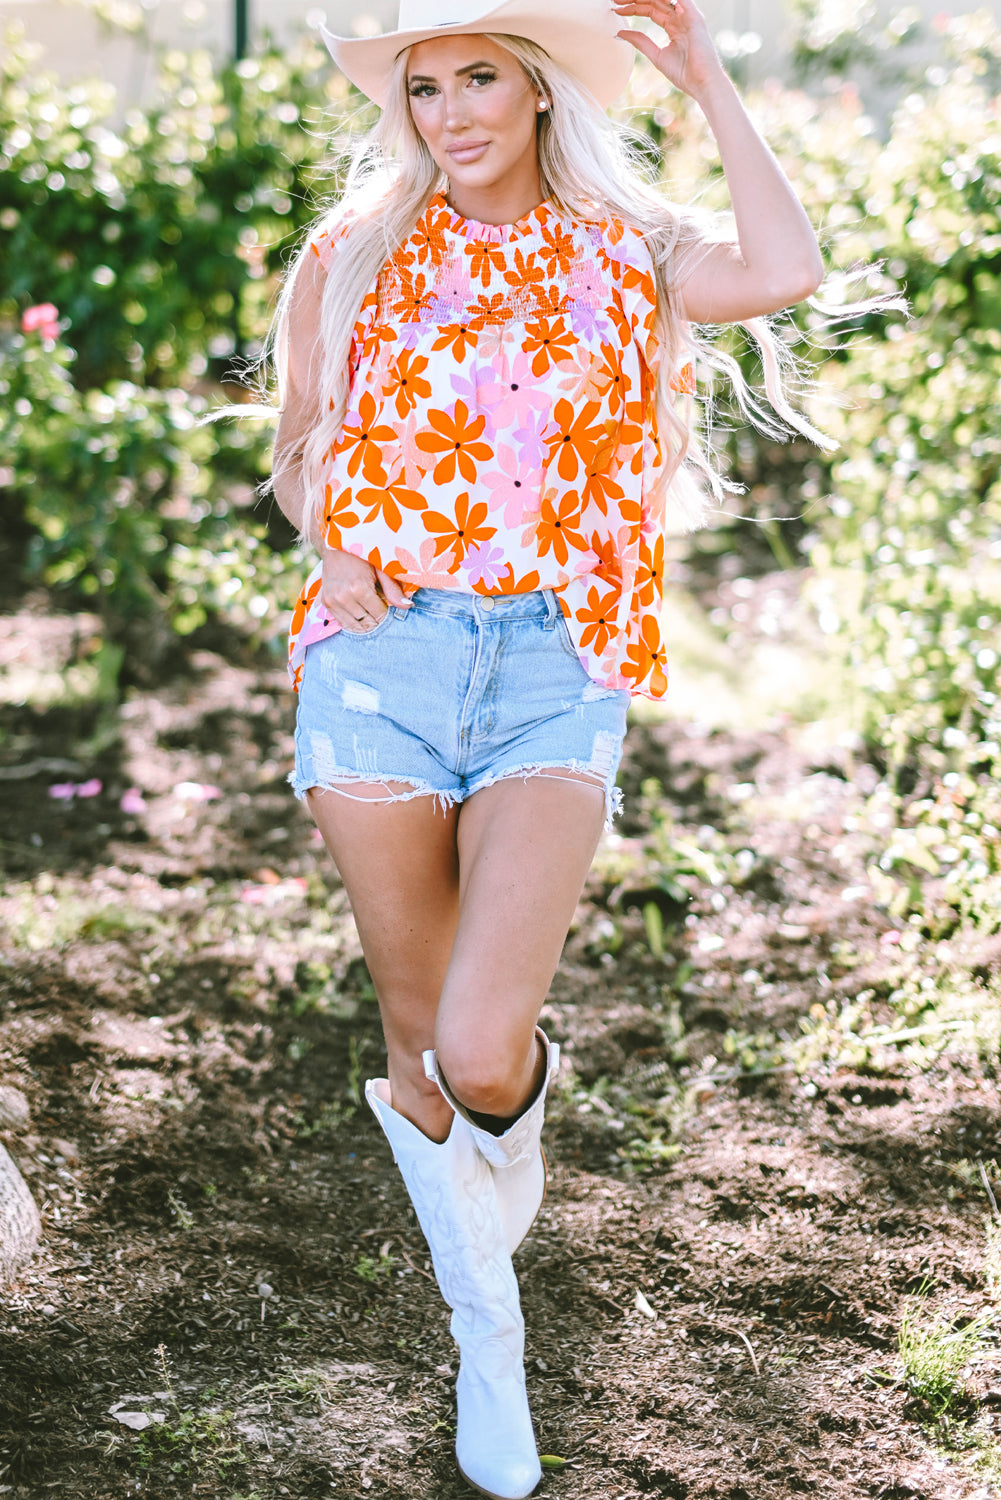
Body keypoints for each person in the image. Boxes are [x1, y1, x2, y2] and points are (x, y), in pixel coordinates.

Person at [267, 1, 824, 1494]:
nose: (449, 113)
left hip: (549, 670)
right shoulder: (356, 253)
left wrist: (703, 74)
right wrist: (328, 545)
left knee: (475, 1042)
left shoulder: (620, 252)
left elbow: (783, 270)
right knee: (413, 1049)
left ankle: (503, 1144)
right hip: (381, 664)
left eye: (478, 82)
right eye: (425, 86)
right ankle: (486, 1340)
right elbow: (304, 442)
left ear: (532, 94)